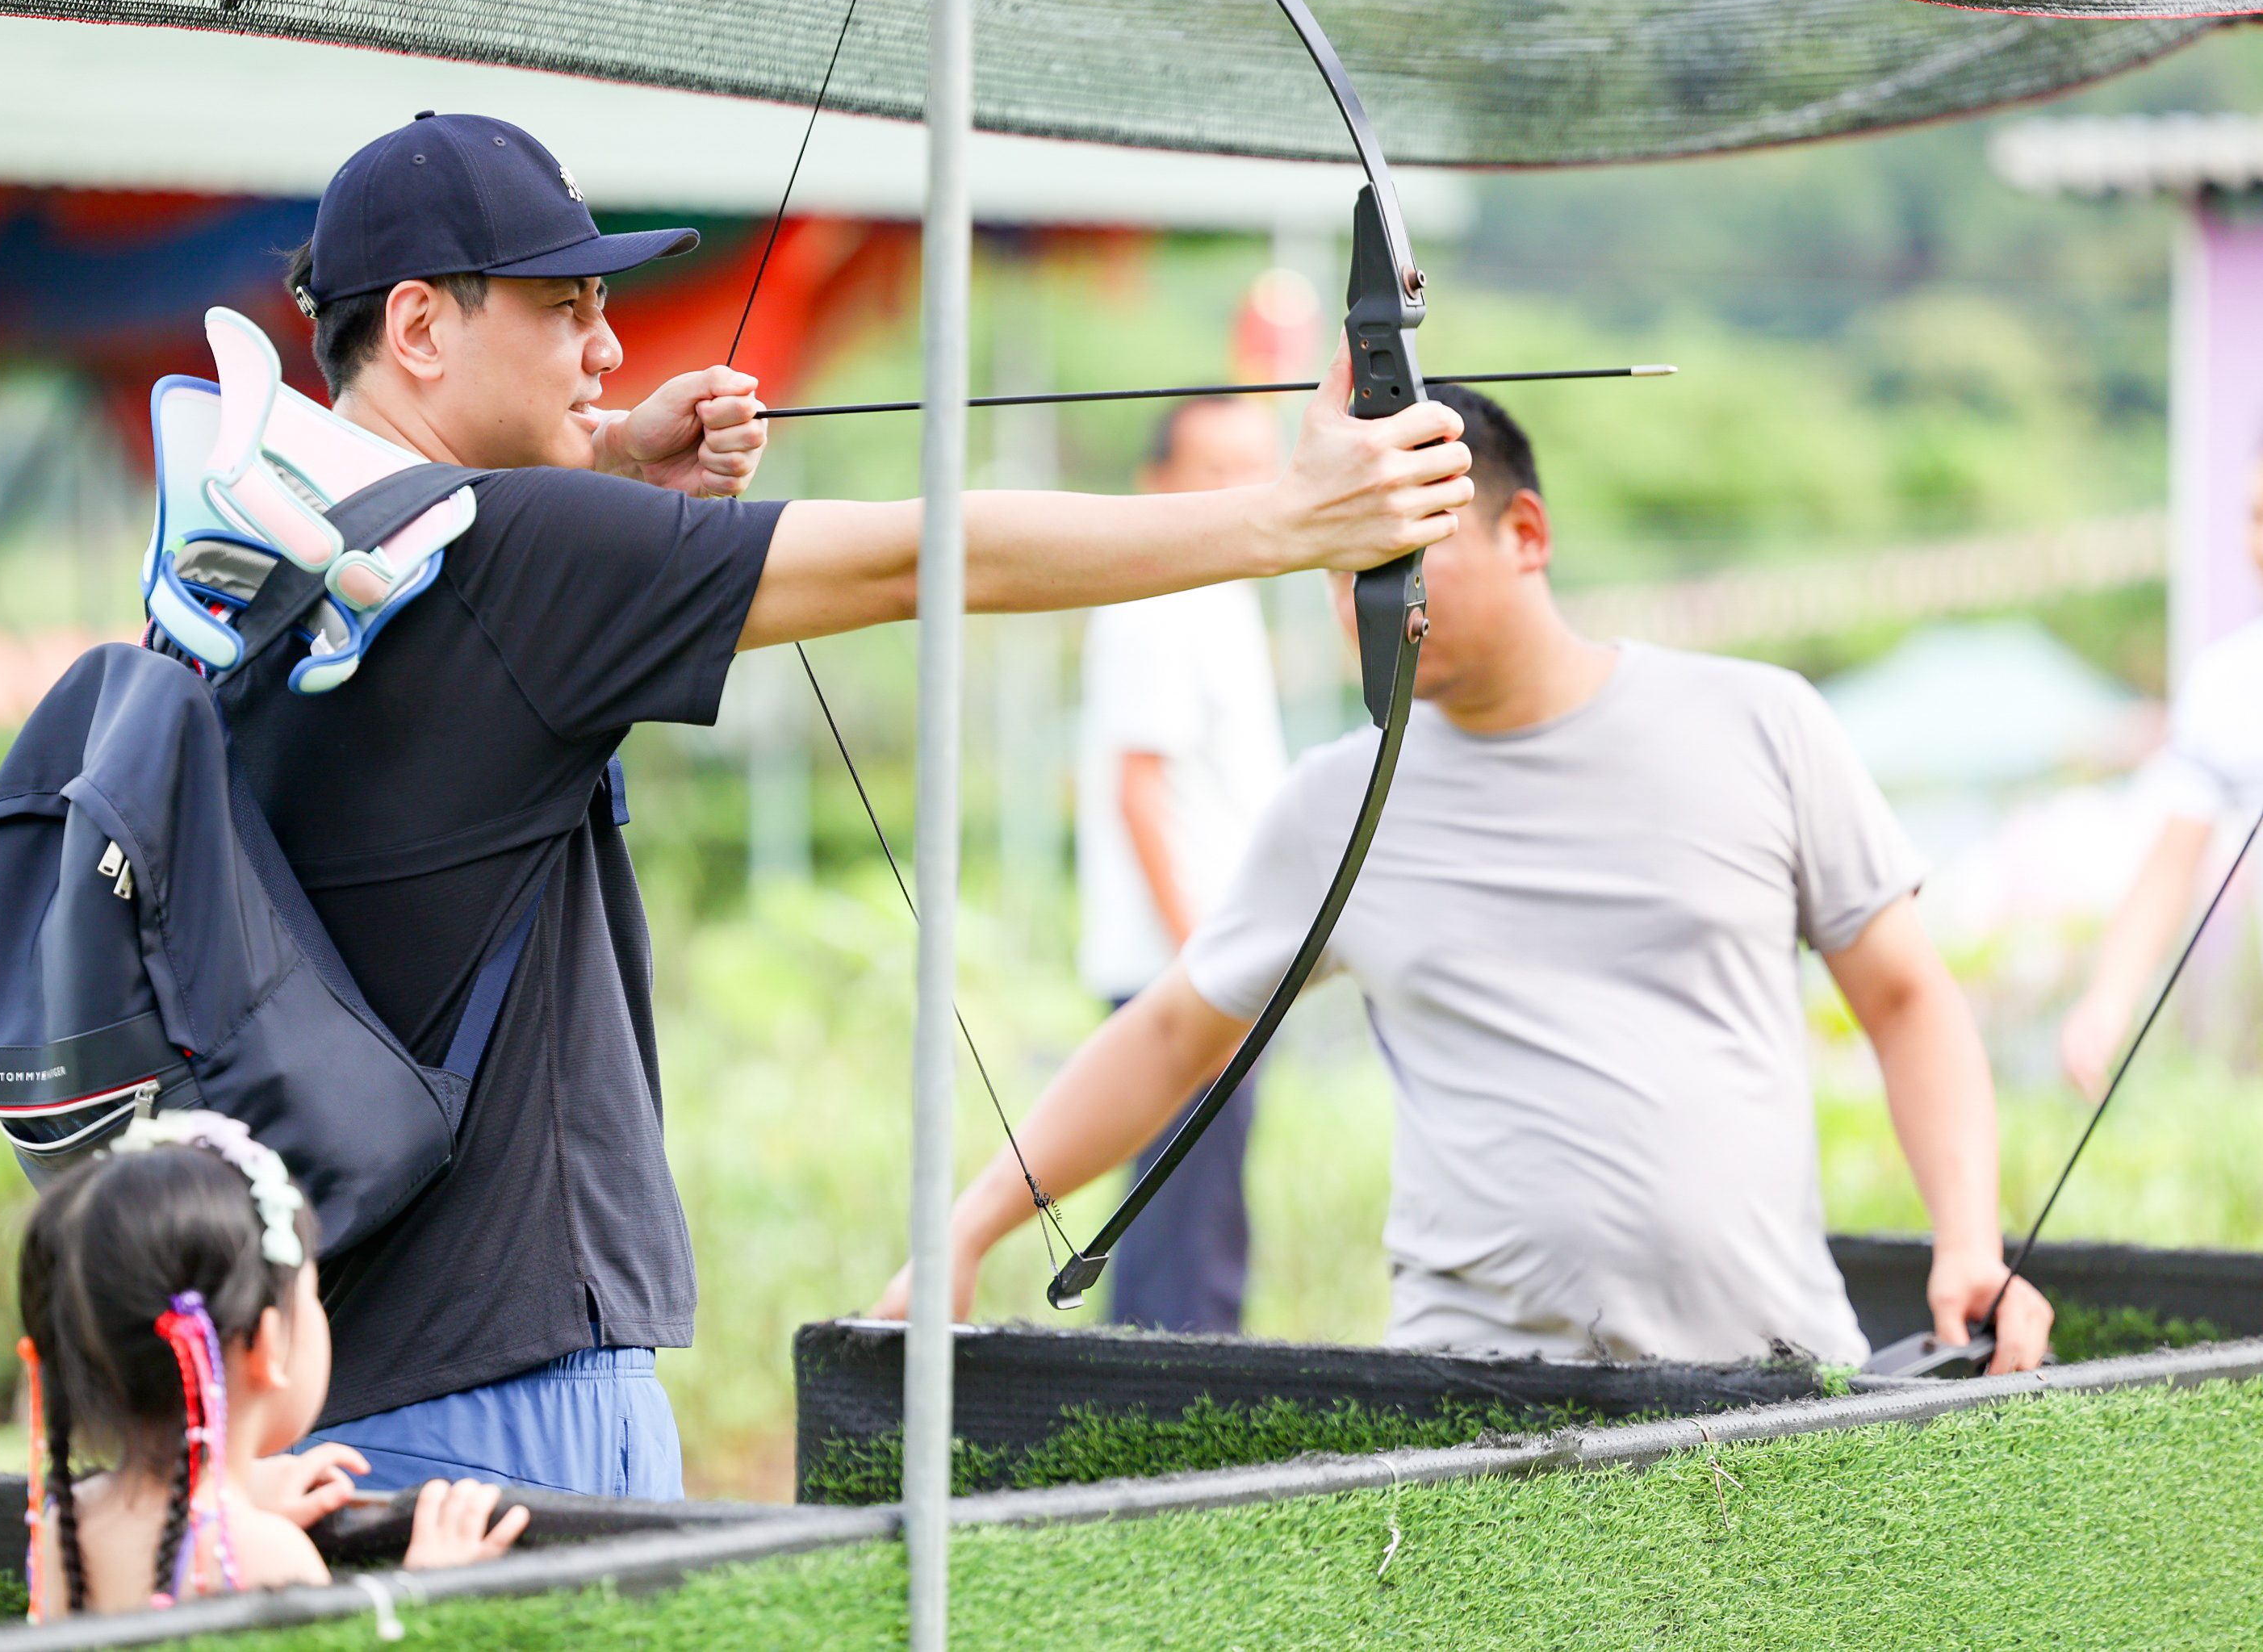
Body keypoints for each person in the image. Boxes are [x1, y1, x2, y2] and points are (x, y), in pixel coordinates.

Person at [222, 112, 1473, 1497]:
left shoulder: (262, 566)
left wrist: (608, 476)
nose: (607, 347)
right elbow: (924, 557)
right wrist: (1288, 518)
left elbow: (459, 602)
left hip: (313, 1395)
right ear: (416, 327)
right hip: (504, 1404)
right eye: (561, 304)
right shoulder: (516, 555)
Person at [876, 385, 2054, 1374]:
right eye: (1338, 577)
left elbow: (1903, 996)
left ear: (1524, 533)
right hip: (1468, 1398)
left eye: (1395, 560)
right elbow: (1169, 1032)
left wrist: (1966, 1239)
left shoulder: (1759, 722)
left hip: (1772, 1363)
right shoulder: (1335, 801)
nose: (1360, 605)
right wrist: (968, 1226)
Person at [19, 1113, 525, 1617]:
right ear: (265, 1346)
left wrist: (240, 1495)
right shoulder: (264, 1556)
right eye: (310, 1296)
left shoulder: (70, 1523)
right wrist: (424, 1592)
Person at [1076, 396, 1289, 1333]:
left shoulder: (1221, 596)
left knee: (1194, 1206)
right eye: (1213, 469)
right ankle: (1172, 1434)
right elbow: (1140, 790)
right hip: (1184, 969)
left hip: (1212, 963)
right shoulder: (1163, 600)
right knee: (1184, 1223)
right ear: (1154, 487)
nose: (1239, 490)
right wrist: (1206, 973)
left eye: (1255, 465)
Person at [2061, 457, 2263, 1098]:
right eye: (2254, 516)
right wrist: (2108, 1001)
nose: (2257, 540)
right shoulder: (2224, 683)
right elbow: (2171, 863)